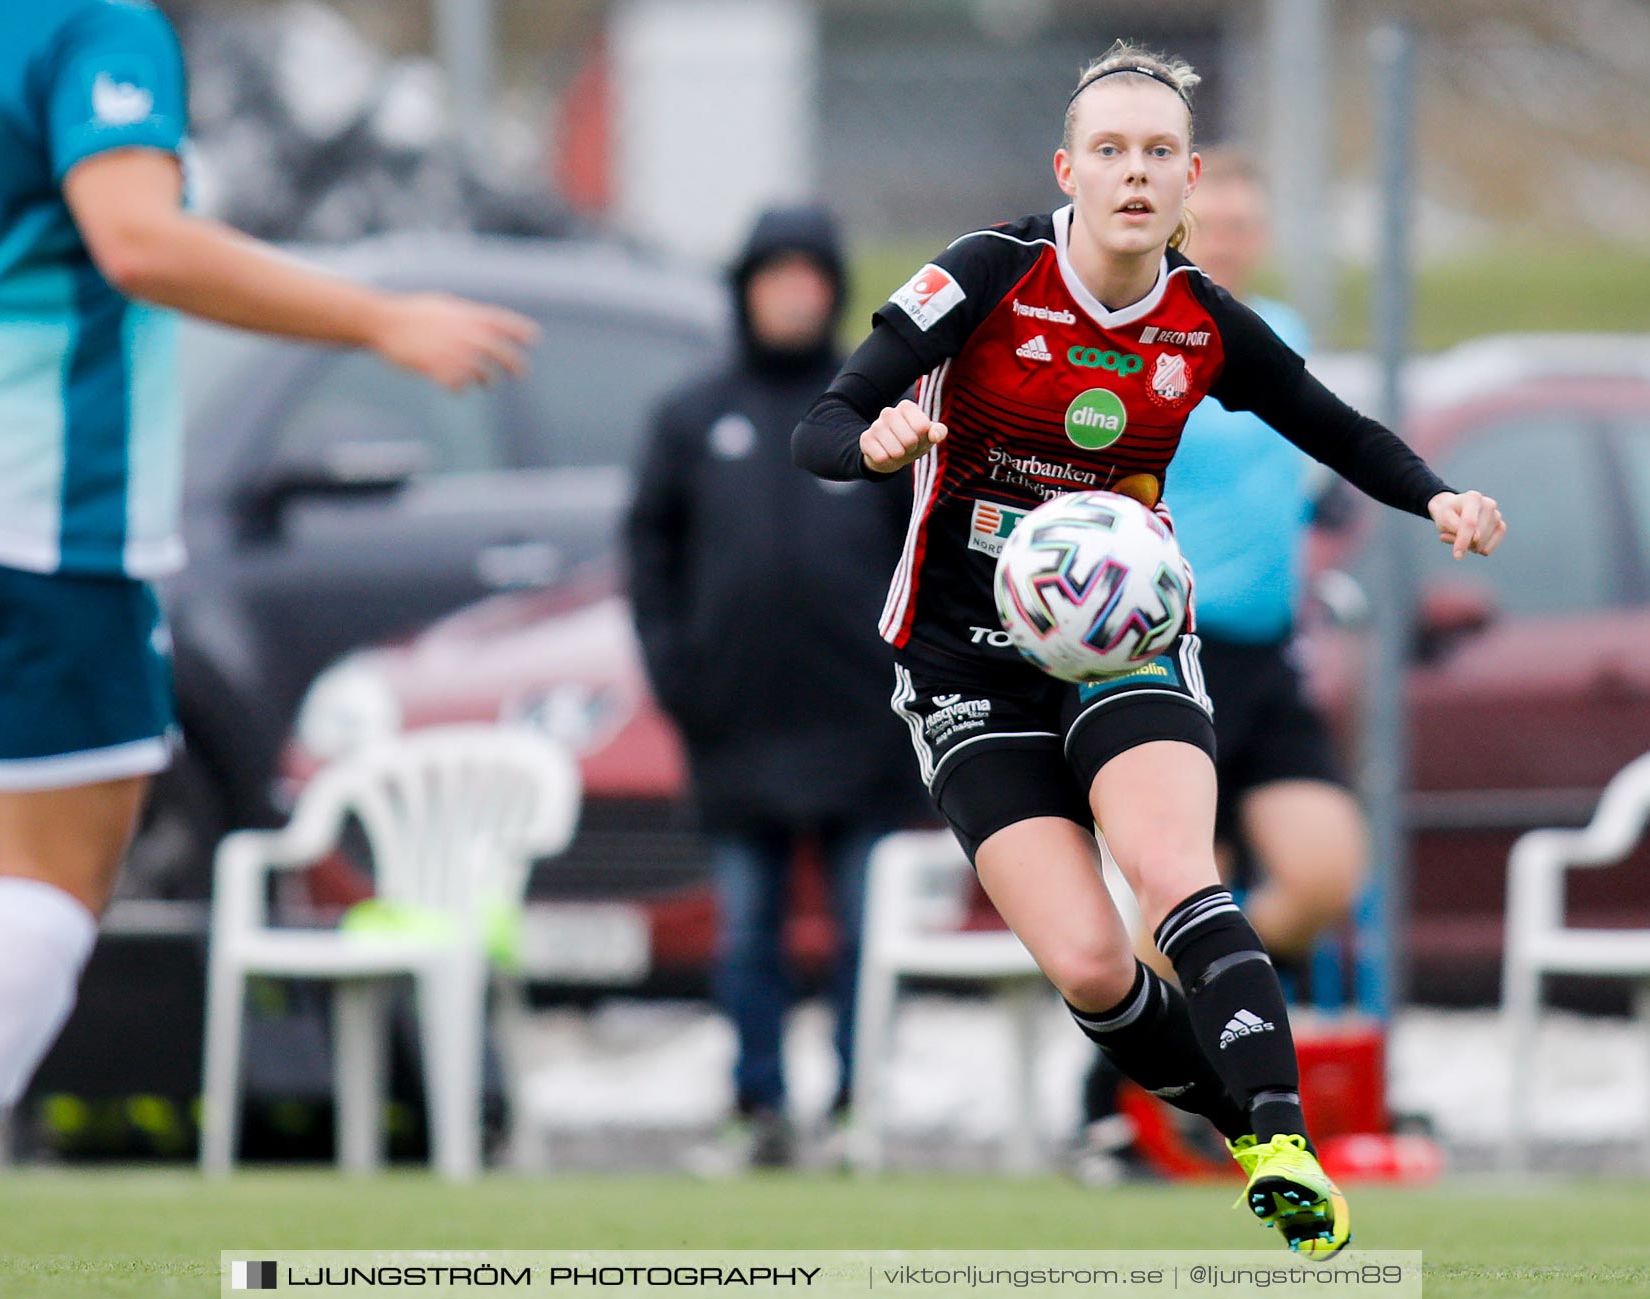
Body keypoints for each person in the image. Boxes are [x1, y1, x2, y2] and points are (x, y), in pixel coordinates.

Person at [793, 39, 1504, 1254]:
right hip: (964, 661)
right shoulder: (982, 274)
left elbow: (1334, 426)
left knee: (1178, 876)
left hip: (1128, 641)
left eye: (1159, 153)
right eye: (1111, 151)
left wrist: (1435, 495)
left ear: (1188, 190)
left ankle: (1284, 1139)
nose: (1135, 174)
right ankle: (1237, 1128)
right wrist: (869, 449)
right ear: (1069, 171)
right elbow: (825, 419)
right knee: (1086, 963)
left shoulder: (1203, 324)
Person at [0, 3, 536, 1293]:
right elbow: (136, 240)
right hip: (32, 522)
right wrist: (376, 319)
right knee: (49, 883)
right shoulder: (90, 25)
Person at [1074, 149, 1369, 1182]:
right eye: (1219, 225)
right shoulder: (1137, 332)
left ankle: (1209, 1045)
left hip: (1266, 662)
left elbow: (1293, 462)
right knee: (1177, 890)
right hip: (1162, 655)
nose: (1234, 241)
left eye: (1251, 225)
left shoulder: (1280, 336)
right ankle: (1118, 1112)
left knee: (1325, 868)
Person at [626, 205, 924, 1171]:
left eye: (811, 275)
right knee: (747, 929)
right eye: (773, 275)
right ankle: (756, 1106)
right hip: (736, 727)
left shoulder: (879, 417)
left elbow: (930, 553)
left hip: (864, 728)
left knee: (862, 931)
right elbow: (650, 560)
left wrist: (910, 690)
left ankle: (854, 1107)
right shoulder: (688, 417)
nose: (792, 293)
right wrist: (683, 679)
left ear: (834, 292)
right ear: (745, 287)